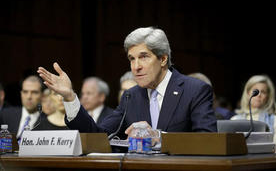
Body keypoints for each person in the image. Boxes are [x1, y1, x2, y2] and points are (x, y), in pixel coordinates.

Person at [37, 27, 217, 139]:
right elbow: (99, 136)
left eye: (143, 57)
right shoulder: (131, 96)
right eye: (132, 59)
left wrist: (160, 138)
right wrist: (69, 97)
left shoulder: (195, 90)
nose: (136, 66)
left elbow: (208, 141)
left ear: (163, 59)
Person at [231, 75, 276, 153]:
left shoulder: (275, 121)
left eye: (263, 92)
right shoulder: (234, 120)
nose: (259, 95)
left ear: (268, 97)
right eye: (255, 91)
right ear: (247, 93)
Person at [0, 75, 44, 140]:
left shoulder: (47, 120)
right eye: (25, 92)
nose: (29, 97)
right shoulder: (5, 115)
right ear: (21, 94)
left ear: (42, 95)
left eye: (34, 92)